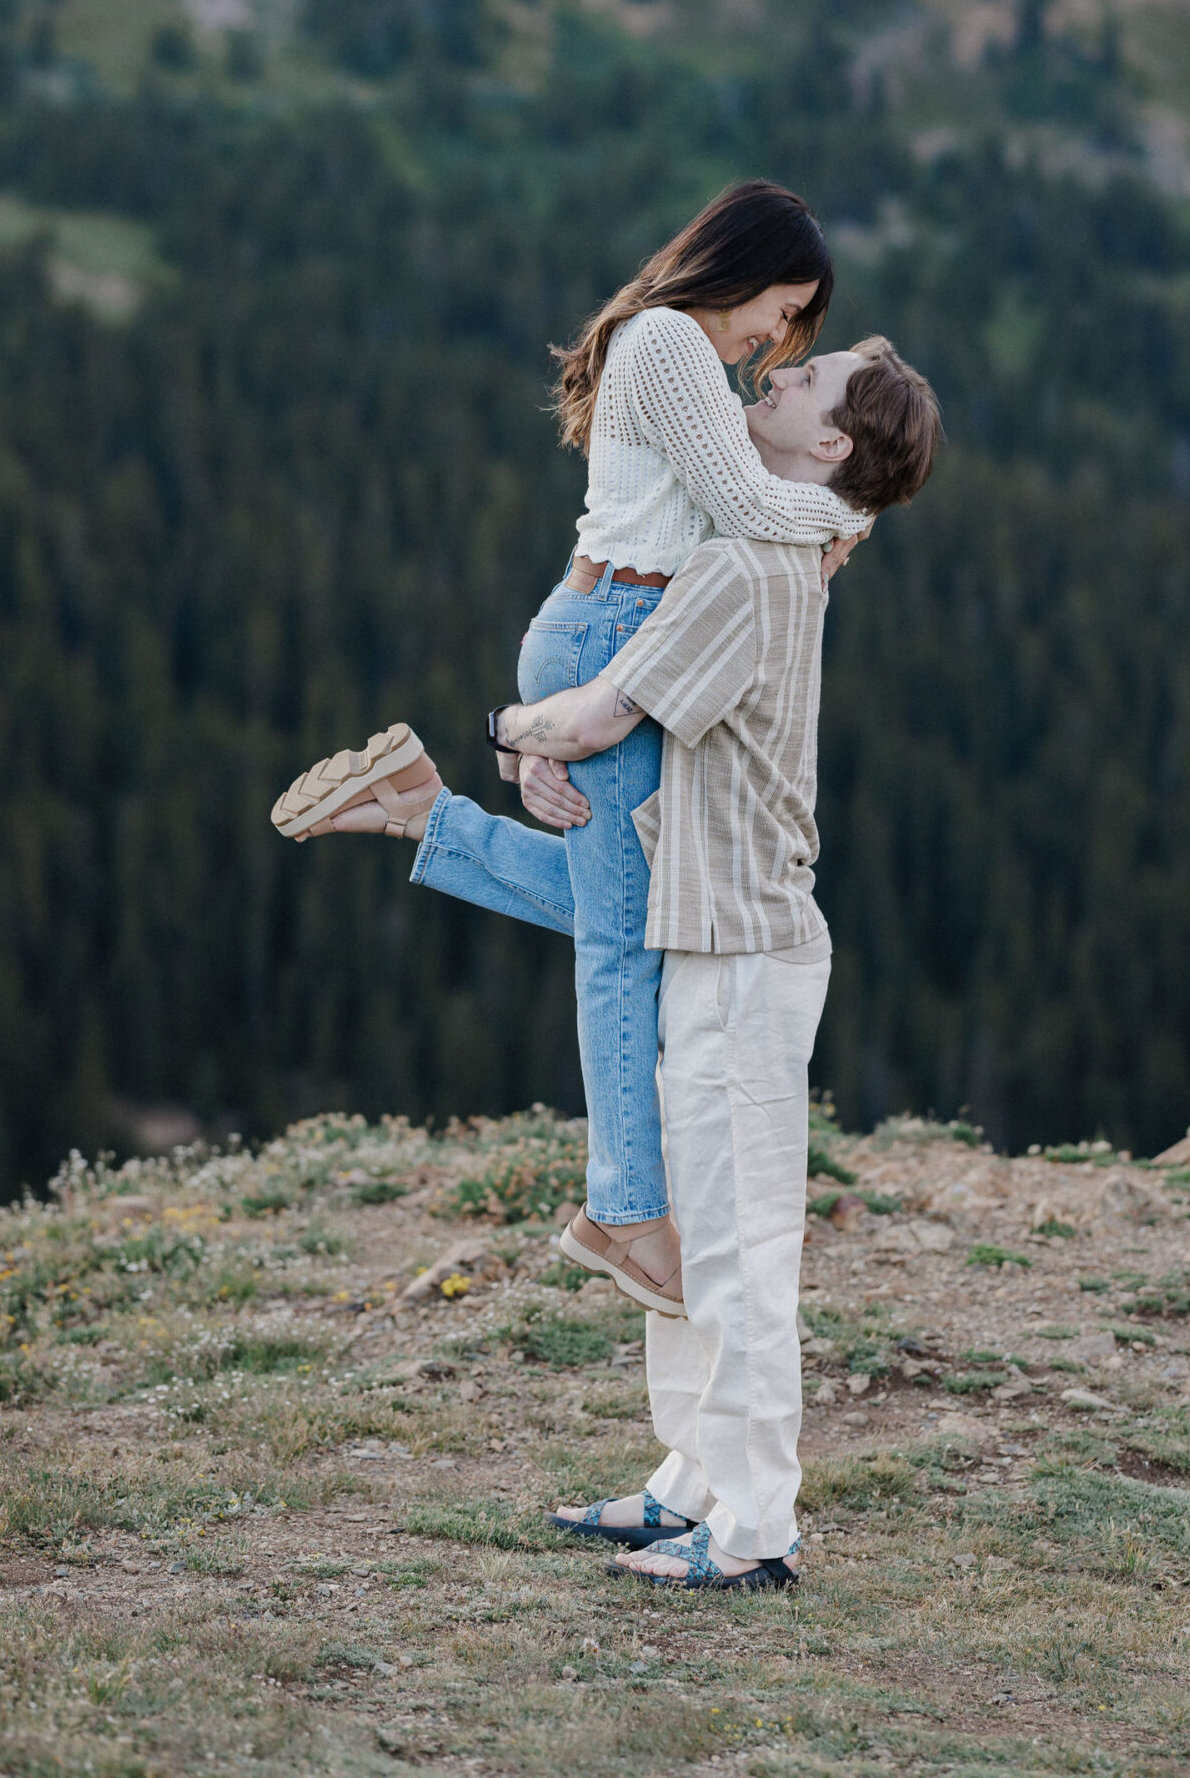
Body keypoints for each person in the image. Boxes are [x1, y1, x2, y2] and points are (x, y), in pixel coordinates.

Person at [273, 338, 942, 1591]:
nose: (773, 379)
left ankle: (754, 1530)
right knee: (694, 1225)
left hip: (743, 955)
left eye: (805, 380)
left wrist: (508, 732)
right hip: (706, 930)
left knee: (740, 1248)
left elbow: (595, 717)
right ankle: (688, 1483)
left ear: (833, 442)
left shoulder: (747, 567)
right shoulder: (774, 547)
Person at [274, 183, 868, 1317]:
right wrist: (857, 510)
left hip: (613, 624)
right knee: (621, 943)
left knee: (627, 910)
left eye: (796, 333)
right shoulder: (671, 344)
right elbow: (747, 504)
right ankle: (629, 1213)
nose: (775, 342)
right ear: (739, 268)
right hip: (619, 626)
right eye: (782, 311)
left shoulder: (669, 349)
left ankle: (422, 812)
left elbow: (738, 495)